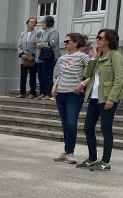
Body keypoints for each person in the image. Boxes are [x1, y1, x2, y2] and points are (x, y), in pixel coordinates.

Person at [79, 29, 123, 172]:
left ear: (109, 40)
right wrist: (93, 57)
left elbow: (119, 79)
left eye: (100, 37)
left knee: (106, 129)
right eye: (97, 37)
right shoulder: (97, 56)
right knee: (88, 127)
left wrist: (112, 98)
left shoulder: (115, 55)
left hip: (107, 97)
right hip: (94, 97)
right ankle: (92, 159)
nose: (97, 39)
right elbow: (86, 74)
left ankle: (105, 162)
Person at [51, 33, 90, 164]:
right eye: (65, 41)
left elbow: (95, 72)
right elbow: (60, 75)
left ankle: (70, 152)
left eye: (67, 41)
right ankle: (66, 151)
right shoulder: (62, 58)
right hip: (61, 93)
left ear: (75, 43)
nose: (65, 43)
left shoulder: (83, 57)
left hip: (74, 94)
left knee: (71, 123)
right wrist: (55, 86)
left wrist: (82, 84)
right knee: (65, 124)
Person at [35, 16, 60, 100]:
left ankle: (49, 93)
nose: (41, 24)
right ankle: (43, 92)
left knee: (48, 75)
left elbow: (52, 43)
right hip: (43, 56)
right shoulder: (44, 32)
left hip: (50, 56)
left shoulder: (53, 31)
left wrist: (40, 44)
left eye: (43, 22)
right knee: (42, 75)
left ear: (47, 23)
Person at [17, 17, 39, 99]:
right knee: (23, 76)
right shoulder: (23, 34)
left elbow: (38, 46)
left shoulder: (37, 33)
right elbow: (19, 45)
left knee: (32, 76)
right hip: (23, 59)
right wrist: (22, 54)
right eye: (31, 22)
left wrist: (33, 55)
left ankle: (32, 92)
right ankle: (22, 92)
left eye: (34, 22)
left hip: (32, 59)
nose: (32, 23)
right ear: (27, 23)